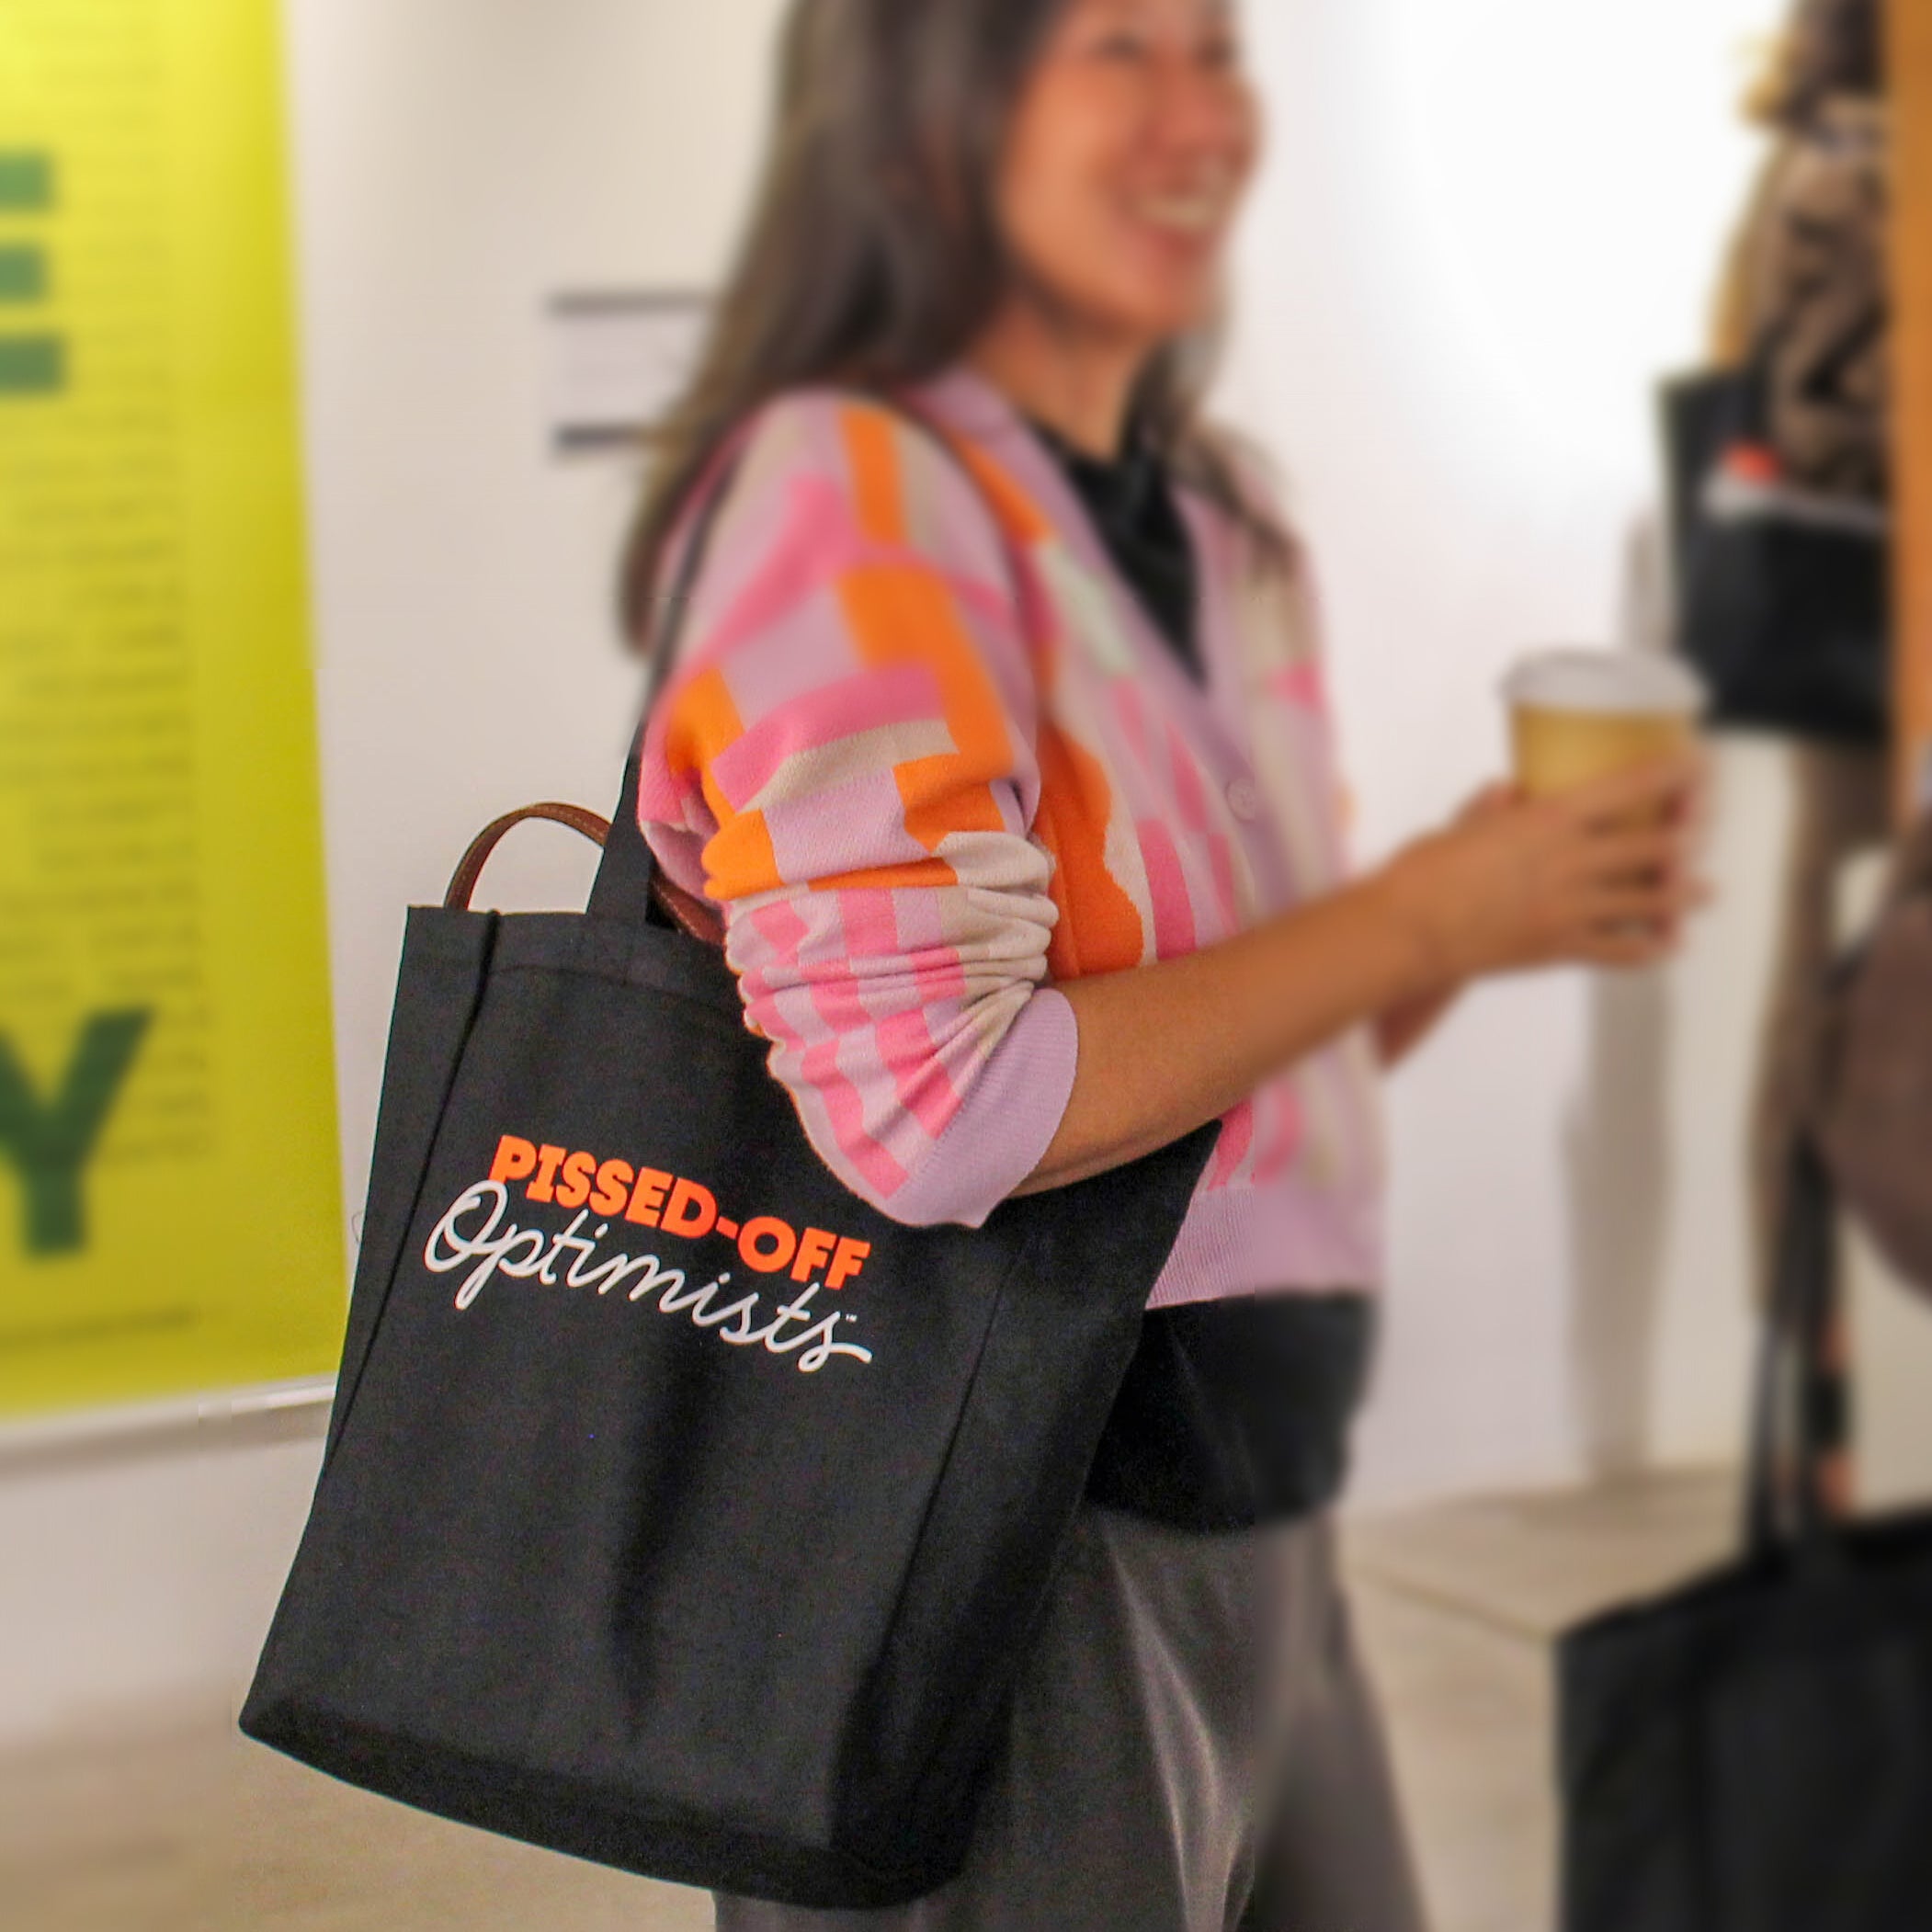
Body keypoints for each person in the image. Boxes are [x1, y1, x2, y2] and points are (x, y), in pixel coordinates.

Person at [624, 2, 1706, 1926]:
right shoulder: (843, 509)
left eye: (1210, 48)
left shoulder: (1193, 515)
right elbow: (935, 1124)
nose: (1199, 114)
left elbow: (1252, 1063)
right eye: (1113, 51)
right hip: (975, 1546)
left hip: (1238, 1476)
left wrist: (1483, 896)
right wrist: (1416, 920)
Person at [1716, 0, 1890, 1503]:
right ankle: (1818, 1385)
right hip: (1873, 649)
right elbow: (1815, 417)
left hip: (1859, 644)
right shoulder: (1851, 171)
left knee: (1824, 988)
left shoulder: (1829, 159)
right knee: (1838, 1001)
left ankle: (1821, 1385)